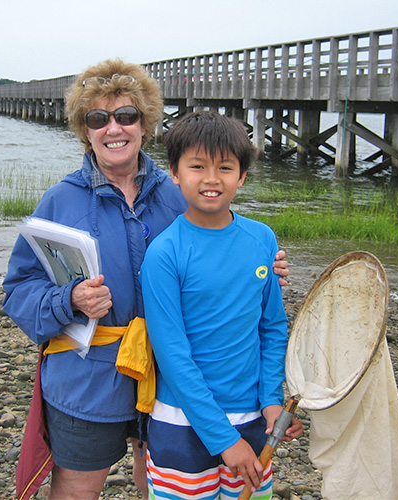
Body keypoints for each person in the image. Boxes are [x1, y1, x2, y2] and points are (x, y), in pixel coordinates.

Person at [2, 59, 290, 500]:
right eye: (98, 118)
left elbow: (223, 247)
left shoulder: (179, 191)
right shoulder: (60, 201)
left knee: (154, 480)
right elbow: (18, 289)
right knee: (78, 487)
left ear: (145, 123)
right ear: (85, 129)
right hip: (88, 378)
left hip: (169, 379)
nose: (113, 127)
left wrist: (263, 269)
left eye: (126, 115)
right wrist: (69, 299)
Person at [139, 110, 303, 500]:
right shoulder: (164, 253)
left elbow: (272, 327)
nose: (212, 179)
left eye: (225, 167)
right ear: (174, 173)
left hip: (253, 417)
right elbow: (173, 356)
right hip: (183, 421)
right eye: (197, 166)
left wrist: (271, 402)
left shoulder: (261, 238)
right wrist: (223, 440)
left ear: (242, 176)